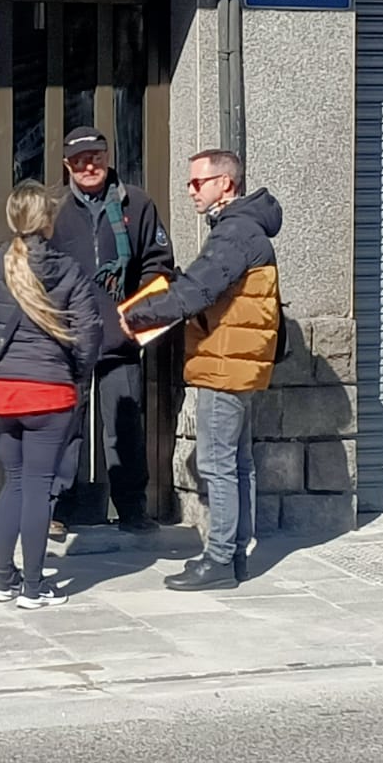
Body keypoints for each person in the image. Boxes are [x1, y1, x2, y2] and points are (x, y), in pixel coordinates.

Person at [121, 149, 282, 592]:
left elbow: (197, 291)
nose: (191, 190)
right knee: (239, 461)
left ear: (225, 184)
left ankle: (220, 559)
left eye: (198, 182)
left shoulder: (234, 232)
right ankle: (238, 552)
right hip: (238, 362)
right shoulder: (245, 228)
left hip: (224, 364)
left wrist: (137, 315)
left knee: (217, 464)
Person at [0, 182, 103, 609]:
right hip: (52, 392)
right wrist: (76, 372)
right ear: (48, 220)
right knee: (40, 487)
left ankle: (3, 579)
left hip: (5, 393)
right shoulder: (68, 268)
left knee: (16, 483)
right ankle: (35, 587)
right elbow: (90, 331)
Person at [48, 126, 174, 534]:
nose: (89, 165)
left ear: (107, 157)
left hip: (121, 338)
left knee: (125, 427)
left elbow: (159, 264)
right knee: (65, 425)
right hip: (69, 339)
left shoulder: (136, 203)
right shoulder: (52, 208)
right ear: (67, 164)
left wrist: (135, 315)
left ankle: (133, 510)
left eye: (96, 157)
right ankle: (59, 509)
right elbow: (36, 268)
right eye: (80, 159)